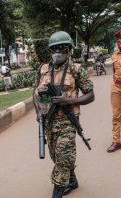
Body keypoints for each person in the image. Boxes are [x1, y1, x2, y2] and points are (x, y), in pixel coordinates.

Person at [33, 31, 94, 198]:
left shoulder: (75, 70)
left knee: (63, 156)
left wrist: (69, 101)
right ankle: (72, 180)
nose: (57, 52)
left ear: (68, 50)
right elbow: (35, 92)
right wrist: (38, 111)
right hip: (49, 120)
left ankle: (57, 191)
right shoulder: (43, 69)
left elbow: (90, 95)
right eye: (53, 49)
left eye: (61, 48)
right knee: (56, 155)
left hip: (67, 120)